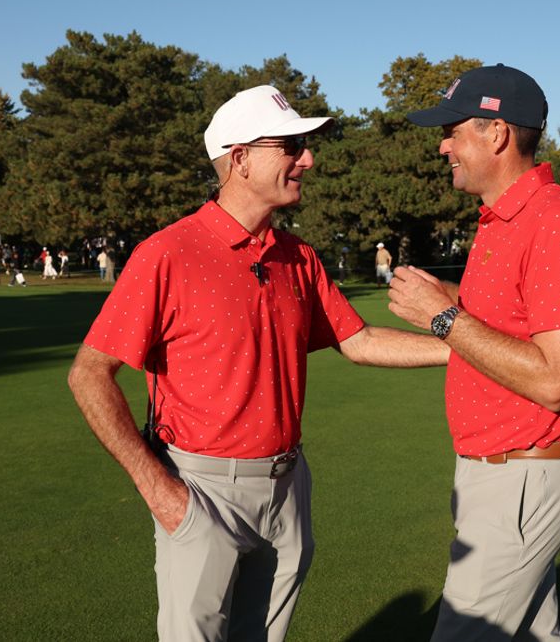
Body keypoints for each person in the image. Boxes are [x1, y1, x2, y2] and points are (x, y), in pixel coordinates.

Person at [68, 84, 449, 641]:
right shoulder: (167, 253)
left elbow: (359, 340)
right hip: (199, 491)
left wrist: (464, 349)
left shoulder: (298, 257)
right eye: (291, 146)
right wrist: (160, 491)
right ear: (240, 158)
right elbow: (88, 372)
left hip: (287, 487)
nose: (308, 159)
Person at [390, 63, 560, 640]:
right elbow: (510, 318)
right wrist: (447, 301)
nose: (443, 146)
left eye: (454, 130)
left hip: (522, 474)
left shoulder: (555, 219)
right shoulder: (504, 217)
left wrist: (441, 316)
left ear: (497, 134)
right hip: (501, 471)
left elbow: (555, 380)